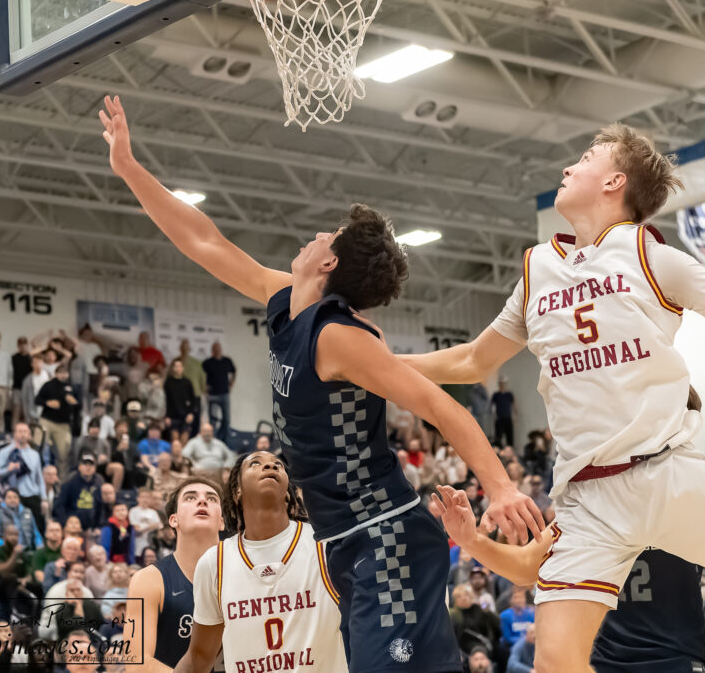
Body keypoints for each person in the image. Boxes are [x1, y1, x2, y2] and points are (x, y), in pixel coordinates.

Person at [401, 125, 705, 672]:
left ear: (615, 181)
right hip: (587, 498)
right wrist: (376, 367)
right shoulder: (537, 269)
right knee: (555, 664)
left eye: (584, 158)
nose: (567, 168)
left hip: (664, 475)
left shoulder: (651, 257)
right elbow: (472, 360)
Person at [100, 94, 541, 673]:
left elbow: (442, 407)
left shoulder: (341, 338)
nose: (316, 236)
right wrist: (131, 169)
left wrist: (501, 488)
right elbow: (204, 242)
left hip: (385, 537)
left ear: (328, 265)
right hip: (346, 542)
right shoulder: (287, 301)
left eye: (329, 235)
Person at [430, 486, 705, 673]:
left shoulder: (689, 493)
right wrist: (471, 541)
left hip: (677, 659)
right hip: (606, 661)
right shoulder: (591, 504)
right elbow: (526, 564)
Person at [182, 451, 343, 673]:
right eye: (255, 464)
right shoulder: (214, 562)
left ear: (288, 492)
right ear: (237, 491)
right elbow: (199, 657)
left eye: (278, 465)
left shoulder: (325, 544)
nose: (270, 467)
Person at [124, 476, 224, 672]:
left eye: (212, 498)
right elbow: (137, 663)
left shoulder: (244, 573)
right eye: (190, 497)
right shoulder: (149, 579)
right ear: (173, 519)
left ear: (221, 522)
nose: (202, 501)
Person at [0, 421, 46, 530]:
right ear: (14, 434)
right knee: (15, 529)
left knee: (36, 528)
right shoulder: (5, 452)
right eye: (20, 431)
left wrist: (44, 499)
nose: (22, 434)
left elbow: (39, 478)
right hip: (13, 496)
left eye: (25, 431)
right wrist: (8, 469)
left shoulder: (35, 454)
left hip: (32, 495)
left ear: (30, 435)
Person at [35, 363, 78, 477]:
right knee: (38, 445)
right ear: (56, 373)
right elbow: (37, 400)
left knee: (64, 454)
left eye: (65, 373)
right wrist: (47, 403)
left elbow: (79, 405)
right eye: (60, 373)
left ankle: (61, 480)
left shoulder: (72, 387)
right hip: (47, 420)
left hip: (63, 424)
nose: (63, 375)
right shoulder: (49, 385)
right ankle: (36, 473)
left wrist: (73, 401)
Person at [55, 454, 105, 531]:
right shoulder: (70, 482)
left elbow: (101, 506)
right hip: (73, 527)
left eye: (91, 465)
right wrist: (64, 524)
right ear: (79, 467)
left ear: (95, 468)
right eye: (85, 464)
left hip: (92, 528)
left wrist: (99, 526)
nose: (88, 467)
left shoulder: (99, 483)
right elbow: (60, 505)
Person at [202, 342, 236, 444]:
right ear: (212, 350)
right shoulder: (207, 363)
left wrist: (231, 384)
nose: (217, 350)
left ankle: (224, 440)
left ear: (221, 349)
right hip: (212, 395)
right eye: (215, 348)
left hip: (224, 394)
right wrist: (205, 390)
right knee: (213, 420)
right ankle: (214, 441)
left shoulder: (227, 361)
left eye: (218, 348)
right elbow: (202, 377)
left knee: (226, 419)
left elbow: (233, 371)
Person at [163, 358, 198, 442]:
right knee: (175, 441)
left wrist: (191, 413)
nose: (178, 368)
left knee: (184, 441)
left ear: (183, 368)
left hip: (186, 416)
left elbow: (193, 399)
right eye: (176, 366)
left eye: (180, 366)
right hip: (173, 417)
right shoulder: (168, 382)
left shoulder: (187, 382)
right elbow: (165, 401)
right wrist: (166, 416)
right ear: (173, 368)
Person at [490, 377, 517, 448]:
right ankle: (499, 453)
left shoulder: (509, 394)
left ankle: (510, 452)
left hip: (508, 418)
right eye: (500, 383)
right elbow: (492, 407)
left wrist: (514, 416)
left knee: (509, 437)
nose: (502, 385)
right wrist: (494, 417)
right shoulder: (496, 395)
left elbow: (513, 406)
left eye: (503, 383)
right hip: (499, 419)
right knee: (498, 437)